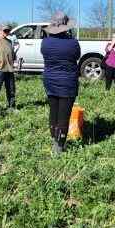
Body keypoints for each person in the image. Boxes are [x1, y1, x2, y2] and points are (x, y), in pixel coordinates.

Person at [41, 12, 81, 154]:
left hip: (50, 81)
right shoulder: (73, 43)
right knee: (64, 114)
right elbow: (76, 56)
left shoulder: (45, 42)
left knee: (54, 111)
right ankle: (59, 146)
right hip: (68, 82)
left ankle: (54, 139)